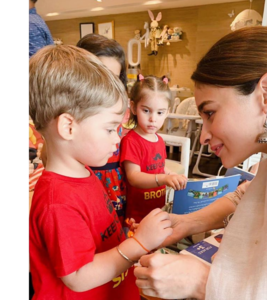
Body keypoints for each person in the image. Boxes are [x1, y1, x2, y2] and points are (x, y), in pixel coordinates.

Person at [134, 26, 267, 300]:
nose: (204, 136)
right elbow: (245, 196)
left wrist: (203, 283)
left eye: (210, 113)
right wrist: (187, 223)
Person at [29, 44, 173, 299]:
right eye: (109, 129)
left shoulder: (84, 173)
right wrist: (139, 244)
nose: (117, 140)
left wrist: (123, 234)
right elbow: (78, 277)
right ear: (68, 127)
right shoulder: (57, 203)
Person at [76, 33, 130, 226]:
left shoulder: (122, 106)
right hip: (85, 178)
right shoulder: (73, 111)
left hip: (116, 180)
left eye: (114, 78)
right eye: (100, 76)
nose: (108, 86)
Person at [120, 75, 188, 223]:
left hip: (157, 209)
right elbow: (134, 177)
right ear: (133, 107)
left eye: (160, 112)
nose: (153, 119)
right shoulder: (131, 141)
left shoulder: (159, 140)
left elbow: (159, 168)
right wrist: (164, 178)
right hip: (137, 215)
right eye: (146, 111)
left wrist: (172, 175)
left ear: (167, 112)